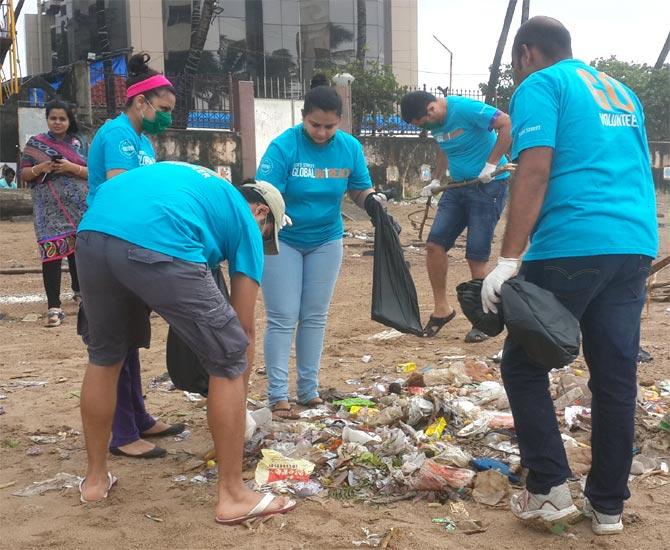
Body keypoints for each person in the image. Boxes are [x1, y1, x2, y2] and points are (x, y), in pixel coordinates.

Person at [481, 17, 658, 535]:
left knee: (523, 365)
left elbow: (535, 166)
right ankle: (608, 506)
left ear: (525, 54)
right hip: (633, 243)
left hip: (572, 242)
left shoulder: (541, 84)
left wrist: (510, 257)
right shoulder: (622, 93)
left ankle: (549, 489)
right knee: (614, 376)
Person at [75, 161, 296, 524]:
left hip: (92, 233)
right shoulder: (246, 222)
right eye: (267, 230)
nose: (262, 237)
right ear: (260, 212)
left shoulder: (203, 188)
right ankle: (233, 495)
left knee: (104, 356)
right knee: (229, 355)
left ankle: (95, 481)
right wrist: (239, 391)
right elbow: (243, 332)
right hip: (160, 236)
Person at [256, 83, 390, 419]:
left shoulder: (349, 148)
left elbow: (359, 189)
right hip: (283, 238)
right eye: (315, 125)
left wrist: (372, 203)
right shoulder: (284, 146)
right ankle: (277, 395)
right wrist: (274, 209)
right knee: (283, 315)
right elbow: (263, 194)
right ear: (303, 118)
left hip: (327, 239)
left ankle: (308, 390)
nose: (321, 132)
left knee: (315, 315)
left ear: (340, 122)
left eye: (329, 126)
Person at [85, 52, 180, 459]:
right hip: (110, 242)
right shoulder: (116, 135)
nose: (166, 118)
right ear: (140, 102)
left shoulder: (142, 139)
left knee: (132, 337)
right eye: (162, 109)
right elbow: (122, 191)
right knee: (113, 342)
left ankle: (138, 416)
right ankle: (121, 433)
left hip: (134, 241)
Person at [400, 90, 512, 342]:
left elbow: (506, 123)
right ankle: (442, 310)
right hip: (457, 187)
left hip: (489, 186)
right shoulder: (436, 123)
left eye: (423, 123)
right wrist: (438, 178)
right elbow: (444, 145)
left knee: (476, 255)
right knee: (434, 245)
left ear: (431, 109)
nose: (425, 129)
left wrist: (491, 164)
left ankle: (484, 320)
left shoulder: (465, 108)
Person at [19, 99, 88, 327]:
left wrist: (70, 167)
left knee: (78, 251)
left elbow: (93, 172)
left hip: (78, 207)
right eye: (53, 118)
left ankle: (80, 292)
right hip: (48, 210)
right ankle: (54, 307)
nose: (57, 122)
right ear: (47, 119)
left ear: (69, 121)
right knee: (52, 252)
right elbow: (24, 174)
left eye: (62, 118)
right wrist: (41, 167)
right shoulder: (35, 143)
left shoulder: (80, 143)